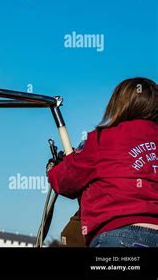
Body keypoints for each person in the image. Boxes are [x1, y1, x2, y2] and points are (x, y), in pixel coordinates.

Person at [47, 77, 158, 247]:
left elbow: (65, 181)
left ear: (119, 104)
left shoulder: (103, 139)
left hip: (117, 235)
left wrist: (55, 169)